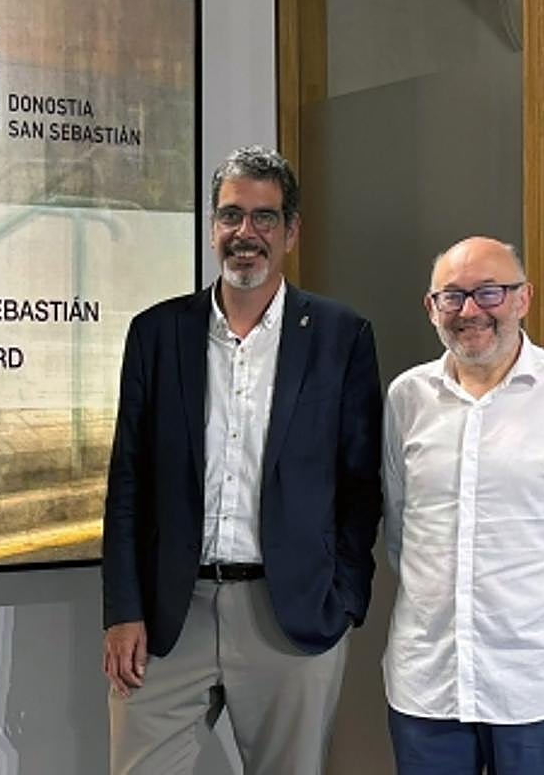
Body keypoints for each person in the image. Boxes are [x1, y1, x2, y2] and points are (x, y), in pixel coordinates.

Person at [101, 145, 383, 774]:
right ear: (211, 228)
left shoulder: (342, 336)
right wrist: (123, 609)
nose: (245, 234)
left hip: (291, 616)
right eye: (231, 216)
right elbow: (128, 481)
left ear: (291, 231)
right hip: (170, 615)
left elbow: (361, 484)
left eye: (264, 218)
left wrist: (344, 599)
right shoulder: (157, 334)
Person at [382, 236, 544, 775]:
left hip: (538, 681)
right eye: (452, 297)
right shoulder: (406, 398)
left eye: (490, 292)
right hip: (429, 681)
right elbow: (401, 520)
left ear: (523, 299)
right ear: (432, 309)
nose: (471, 310)